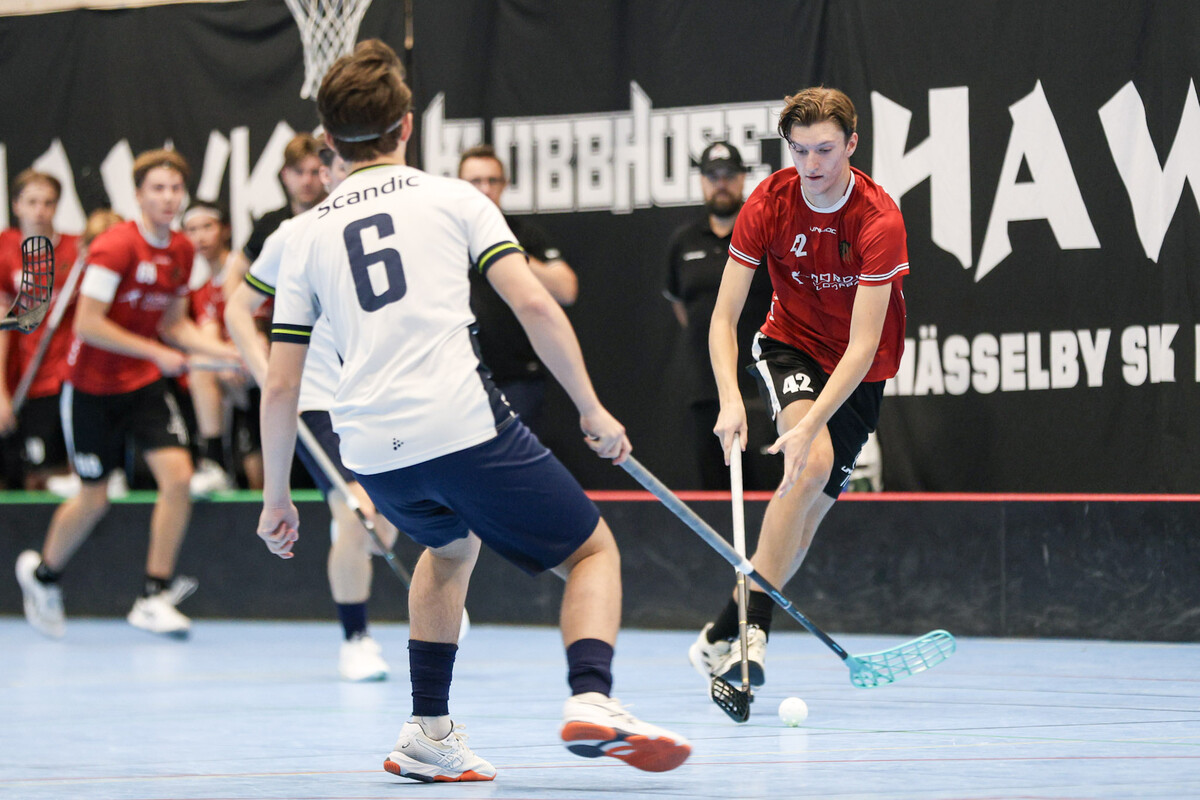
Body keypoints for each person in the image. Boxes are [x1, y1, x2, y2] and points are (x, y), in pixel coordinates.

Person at [257, 40, 690, 782]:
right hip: (458, 424)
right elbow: (535, 304)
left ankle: (428, 733)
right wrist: (591, 408)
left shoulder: (300, 236)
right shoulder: (454, 198)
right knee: (592, 552)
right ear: (407, 126)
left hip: (371, 450)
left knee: (450, 548)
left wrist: (277, 497)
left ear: (327, 140)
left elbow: (279, 385)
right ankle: (594, 697)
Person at [688, 87, 909, 689]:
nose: (812, 164)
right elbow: (724, 316)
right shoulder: (768, 202)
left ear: (852, 145)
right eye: (800, 150)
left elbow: (862, 346)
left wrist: (812, 422)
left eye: (825, 150)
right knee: (810, 464)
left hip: (862, 370)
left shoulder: (879, 219)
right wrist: (730, 398)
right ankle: (753, 633)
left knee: (805, 520)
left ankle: (720, 632)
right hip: (791, 345)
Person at [15, 149, 243, 639]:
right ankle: (44, 575)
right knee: (94, 498)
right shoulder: (115, 246)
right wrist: (157, 353)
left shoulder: (181, 252)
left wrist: (229, 353)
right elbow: (88, 324)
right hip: (90, 390)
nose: (168, 197)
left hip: (141, 385)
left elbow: (174, 324)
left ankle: (152, 595)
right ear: (139, 195)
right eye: (157, 188)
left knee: (178, 477)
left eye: (175, 189)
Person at [225, 143, 398, 682]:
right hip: (320, 399)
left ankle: (428, 587)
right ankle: (356, 638)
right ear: (326, 175)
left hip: (383, 393)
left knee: (383, 523)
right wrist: (263, 367)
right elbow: (237, 307)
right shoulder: (293, 235)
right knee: (356, 511)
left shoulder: (394, 224)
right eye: (341, 169)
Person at [663, 142, 776, 490]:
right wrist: (717, 338)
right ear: (702, 181)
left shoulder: (766, 234)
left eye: (729, 175)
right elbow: (682, 307)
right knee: (715, 497)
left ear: (743, 179)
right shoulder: (683, 242)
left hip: (762, 387)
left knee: (771, 495)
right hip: (706, 390)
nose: (721, 183)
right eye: (713, 176)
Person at [457, 145, 578, 436]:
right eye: (475, 181)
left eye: (492, 180)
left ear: (505, 184)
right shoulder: (446, 235)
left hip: (517, 378)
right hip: (459, 378)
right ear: (459, 185)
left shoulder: (521, 234)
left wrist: (507, 253)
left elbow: (566, 289)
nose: (485, 189)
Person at [0, 170, 82, 490]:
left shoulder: (78, 250)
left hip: (66, 377)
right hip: (23, 378)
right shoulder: (4, 248)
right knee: (25, 473)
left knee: (62, 471)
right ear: (16, 205)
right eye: (32, 202)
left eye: (48, 203)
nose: (40, 211)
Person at [182, 201, 261, 494]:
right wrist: (228, 358)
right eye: (192, 230)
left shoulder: (243, 269)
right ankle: (214, 462)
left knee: (260, 480)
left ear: (225, 230)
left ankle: (217, 461)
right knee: (200, 364)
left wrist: (240, 355)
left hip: (266, 362)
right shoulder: (202, 288)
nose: (200, 237)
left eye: (207, 227)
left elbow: (262, 327)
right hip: (236, 369)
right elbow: (209, 337)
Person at [222, 132, 327, 290]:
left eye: (314, 172)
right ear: (285, 175)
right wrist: (235, 304)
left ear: (326, 174)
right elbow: (237, 269)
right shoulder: (270, 224)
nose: (307, 181)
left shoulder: (337, 217)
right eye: (299, 172)